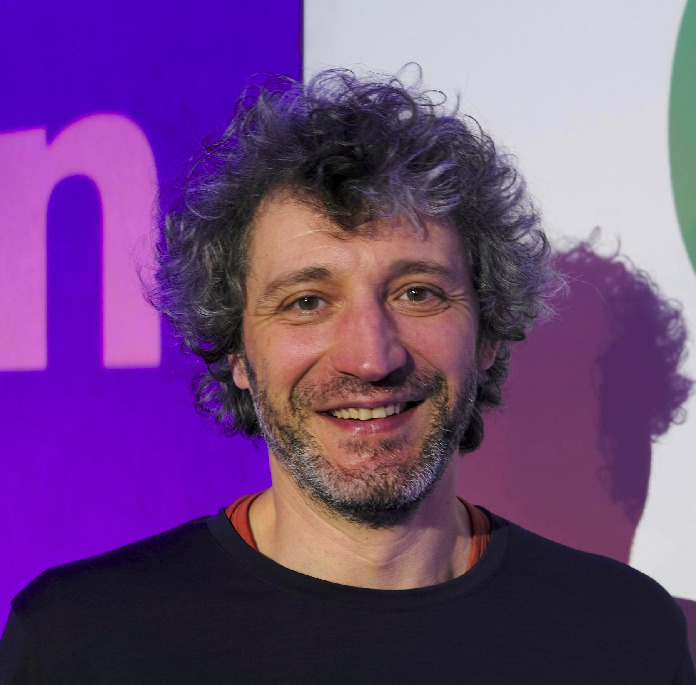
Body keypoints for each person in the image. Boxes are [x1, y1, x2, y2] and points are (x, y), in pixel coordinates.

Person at [1, 68, 693, 684]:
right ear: (236, 349)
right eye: (307, 302)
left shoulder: (624, 634)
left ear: (488, 333)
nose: (371, 357)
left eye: (417, 293)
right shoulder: (80, 641)